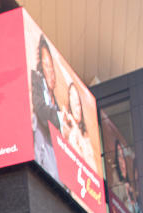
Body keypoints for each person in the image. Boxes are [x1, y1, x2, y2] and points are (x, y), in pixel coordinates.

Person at [30, 34, 61, 175]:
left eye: (51, 67)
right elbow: (40, 108)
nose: (50, 72)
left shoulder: (56, 103)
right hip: (39, 158)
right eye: (46, 66)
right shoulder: (36, 80)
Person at [62, 82, 98, 172]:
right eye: (73, 102)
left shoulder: (86, 138)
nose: (76, 109)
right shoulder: (67, 130)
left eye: (77, 104)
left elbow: (90, 166)